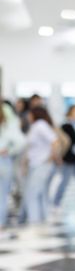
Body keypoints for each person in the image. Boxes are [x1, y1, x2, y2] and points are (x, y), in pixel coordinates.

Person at [22, 107, 59, 223]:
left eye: (30, 114)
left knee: (32, 194)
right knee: (41, 193)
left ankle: (35, 221)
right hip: (35, 165)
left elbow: (55, 141)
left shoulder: (40, 125)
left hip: (41, 165)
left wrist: (50, 157)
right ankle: (42, 219)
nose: (28, 117)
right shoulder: (35, 127)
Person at [0, 101, 25, 237]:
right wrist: (9, 150)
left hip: (4, 160)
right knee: (2, 196)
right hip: (3, 160)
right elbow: (21, 142)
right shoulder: (9, 122)